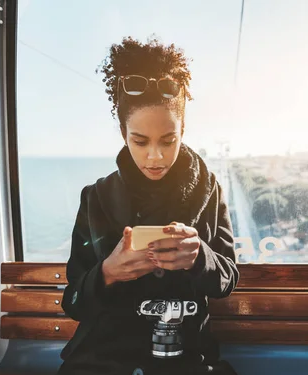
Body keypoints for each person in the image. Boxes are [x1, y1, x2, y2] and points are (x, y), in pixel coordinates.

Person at [56, 36, 240, 375]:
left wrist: (200, 256)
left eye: (168, 141)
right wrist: (108, 273)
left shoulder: (209, 189)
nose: (154, 157)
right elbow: (74, 303)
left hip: (185, 358)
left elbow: (227, 280)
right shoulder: (96, 198)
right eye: (139, 141)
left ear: (183, 130)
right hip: (103, 358)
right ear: (123, 132)